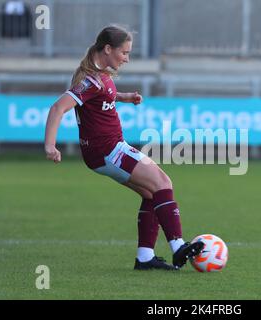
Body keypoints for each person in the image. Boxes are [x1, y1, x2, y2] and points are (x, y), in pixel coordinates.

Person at [44, 25, 204, 270]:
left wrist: (124, 96)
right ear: (108, 49)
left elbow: (103, 94)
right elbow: (58, 108)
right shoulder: (90, 81)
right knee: (163, 183)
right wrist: (50, 145)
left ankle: (145, 258)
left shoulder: (99, 76)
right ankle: (178, 246)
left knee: (152, 192)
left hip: (104, 151)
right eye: (124, 52)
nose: (127, 58)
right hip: (108, 149)